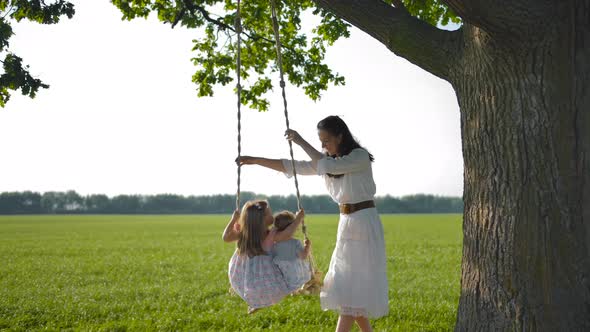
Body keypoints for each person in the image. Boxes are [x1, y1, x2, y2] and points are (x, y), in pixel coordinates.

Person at [236, 115, 388, 332]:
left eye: (326, 140)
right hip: (346, 224)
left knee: (350, 291)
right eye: (320, 141)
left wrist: (300, 141)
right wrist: (255, 160)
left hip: (364, 222)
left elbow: (330, 166)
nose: (323, 145)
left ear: (340, 136)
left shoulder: (358, 157)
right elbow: (292, 166)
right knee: (350, 290)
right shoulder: (326, 162)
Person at [222, 200, 305, 313]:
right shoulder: (270, 234)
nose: (272, 216)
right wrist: (298, 219)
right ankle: (257, 303)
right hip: (265, 272)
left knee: (253, 287)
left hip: (245, 271)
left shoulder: (245, 233)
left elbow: (225, 237)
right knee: (269, 285)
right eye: (270, 213)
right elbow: (287, 234)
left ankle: (255, 303)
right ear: (263, 219)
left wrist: (233, 219)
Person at [271, 211, 312, 291]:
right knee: (299, 285)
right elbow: (303, 256)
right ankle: (299, 290)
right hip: (295, 274)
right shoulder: (295, 242)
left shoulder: (274, 243)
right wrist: (307, 247)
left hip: (281, 275)